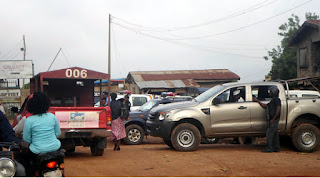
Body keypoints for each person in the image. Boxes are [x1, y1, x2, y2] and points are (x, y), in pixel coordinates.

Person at [21, 91, 61, 175]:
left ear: (31, 105)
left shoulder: (29, 120)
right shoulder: (52, 116)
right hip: (55, 148)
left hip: (36, 151)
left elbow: (26, 139)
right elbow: (58, 134)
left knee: (22, 160)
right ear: (47, 104)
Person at [253, 86, 281, 153]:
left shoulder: (276, 100)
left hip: (274, 119)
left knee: (269, 134)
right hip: (273, 119)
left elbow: (278, 110)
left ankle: (270, 148)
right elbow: (265, 106)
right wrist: (258, 101)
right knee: (275, 135)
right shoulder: (273, 100)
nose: (269, 93)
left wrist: (273, 119)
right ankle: (276, 148)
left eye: (270, 92)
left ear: (273, 92)